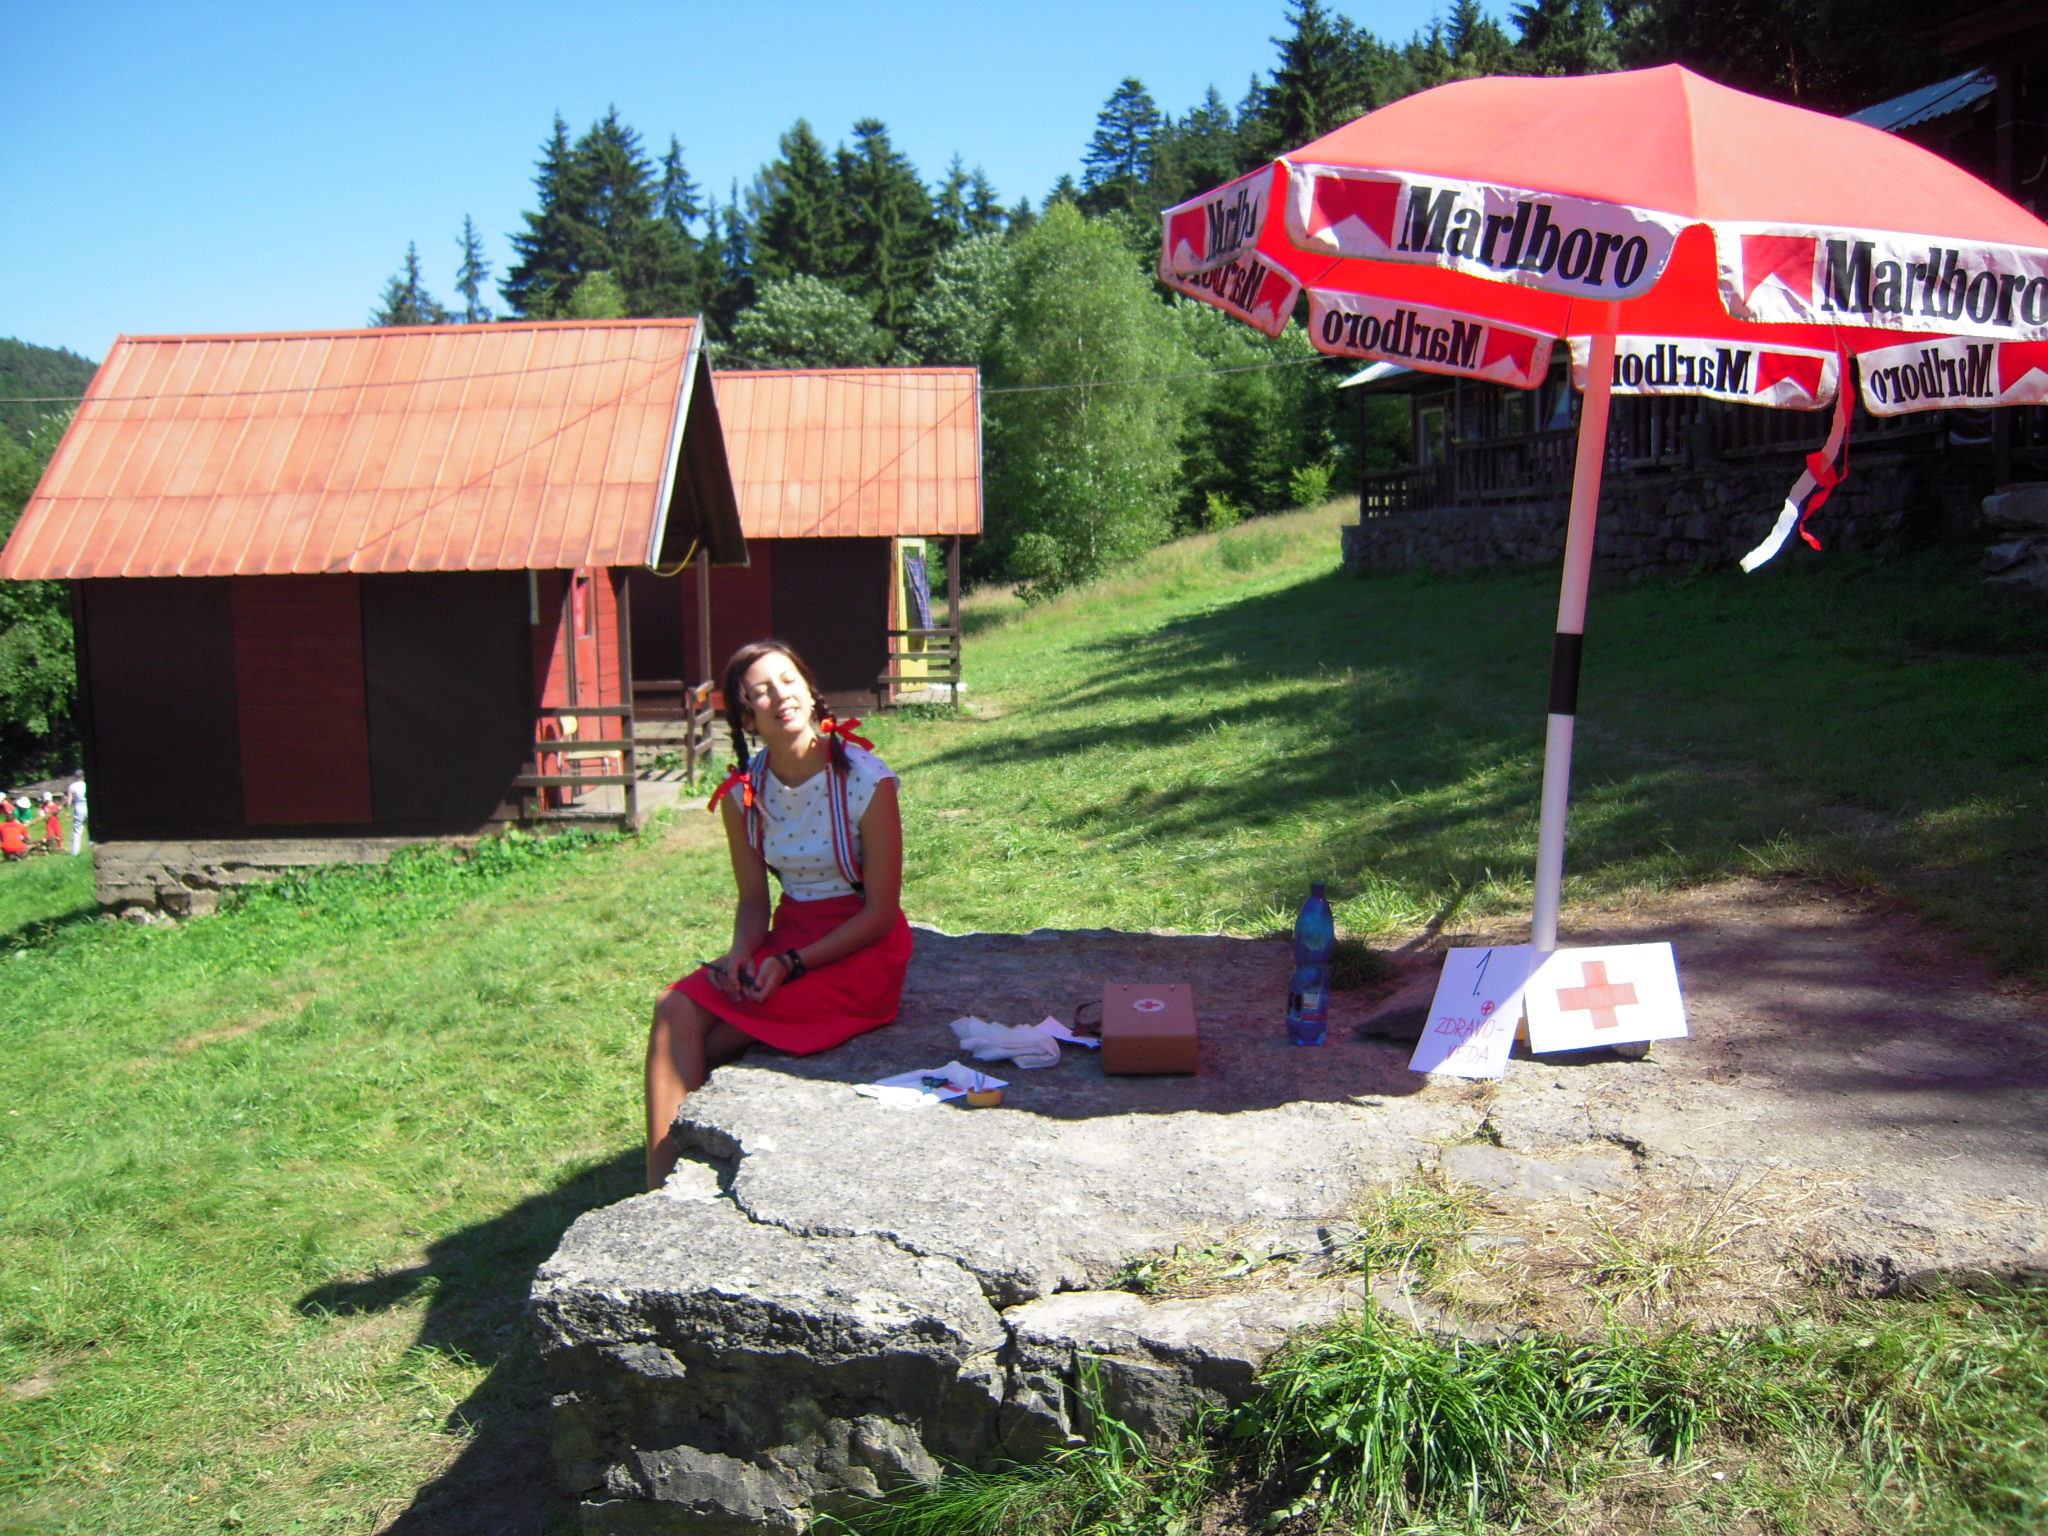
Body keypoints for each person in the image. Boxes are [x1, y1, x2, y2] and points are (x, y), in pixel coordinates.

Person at [644, 640, 912, 1189]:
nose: (780, 696)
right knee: (674, 1010)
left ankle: (684, 1174)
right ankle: (657, 1188)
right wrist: (742, 954)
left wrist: (791, 963)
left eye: (788, 681)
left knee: (701, 1046)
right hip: (787, 935)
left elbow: (882, 913)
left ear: (810, 692)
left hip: (859, 948)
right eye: (761, 692)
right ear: (747, 717)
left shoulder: (867, 780)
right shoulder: (745, 794)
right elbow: (753, 901)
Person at [66, 776, 86, 856]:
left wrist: (68, 811)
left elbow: (69, 799)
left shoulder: (72, 786)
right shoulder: (85, 784)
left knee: (77, 831)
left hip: (79, 807)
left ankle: (75, 852)